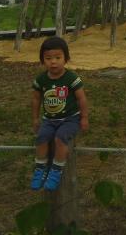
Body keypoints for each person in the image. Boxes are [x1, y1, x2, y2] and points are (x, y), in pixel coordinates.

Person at [30, 36, 89, 191]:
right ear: (42, 60)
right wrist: (35, 118)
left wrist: (84, 118)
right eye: (48, 58)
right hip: (49, 120)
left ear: (66, 59)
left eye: (58, 57)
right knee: (41, 137)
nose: (53, 62)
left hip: (70, 119)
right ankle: (40, 168)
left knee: (60, 138)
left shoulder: (71, 78)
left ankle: (56, 170)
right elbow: (36, 99)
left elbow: (82, 98)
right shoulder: (41, 80)